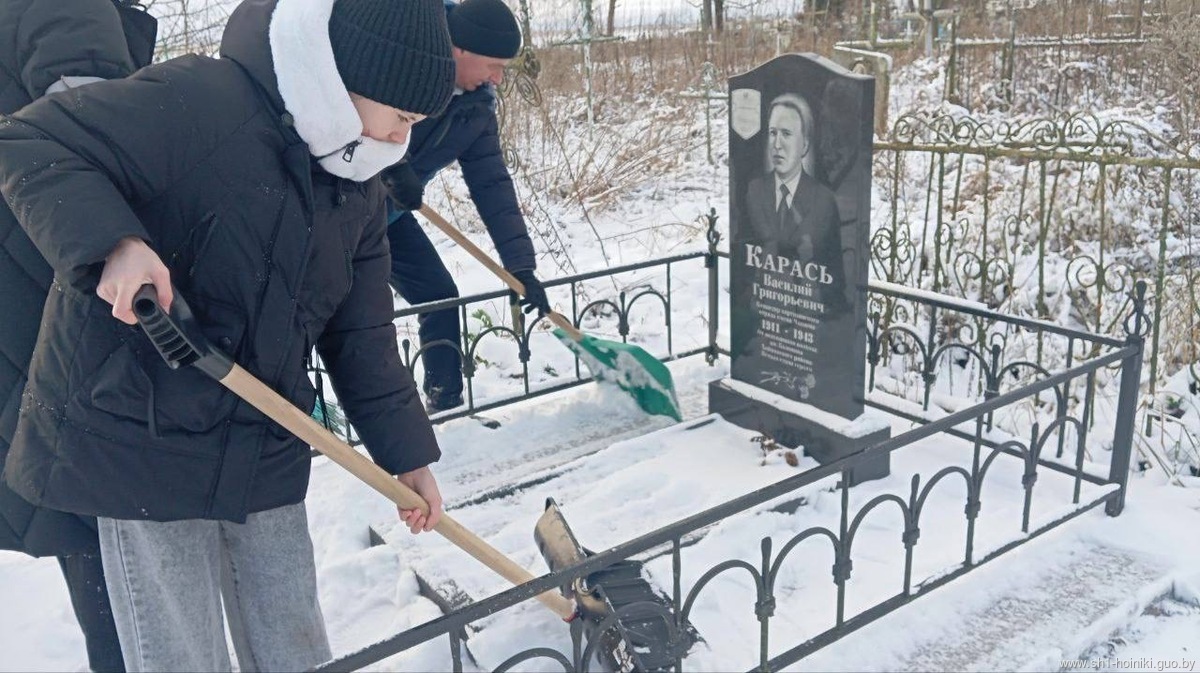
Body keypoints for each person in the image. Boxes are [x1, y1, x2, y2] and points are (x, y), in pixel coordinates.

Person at [0, 0, 455, 669]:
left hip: (262, 433)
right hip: (140, 438)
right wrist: (114, 243)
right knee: (181, 652)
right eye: (402, 116)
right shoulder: (200, 102)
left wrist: (407, 454)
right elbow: (30, 141)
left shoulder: (356, 182)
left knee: (293, 640)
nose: (402, 139)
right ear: (343, 80)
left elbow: (362, 335)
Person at [0, 1, 154, 670]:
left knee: (97, 557)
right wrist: (121, 244)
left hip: (33, 310)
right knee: (123, 570)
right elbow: (95, 138)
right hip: (66, 317)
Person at [380, 0, 550, 413]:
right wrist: (389, 165)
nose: (498, 78)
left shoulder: (475, 110)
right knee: (351, 315)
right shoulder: (398, 61)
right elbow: (347, 121)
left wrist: (520, 267)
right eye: (493, 65)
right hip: (333, 214)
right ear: (459, 49)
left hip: (389, 216)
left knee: (438, 296)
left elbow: (493, 186)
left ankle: (447, 404)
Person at [742, 92, 841, 263]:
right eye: (773, 133)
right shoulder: (755, 190)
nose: (777, 145)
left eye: (786, 134)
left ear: (805, 145)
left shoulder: (823, 199)